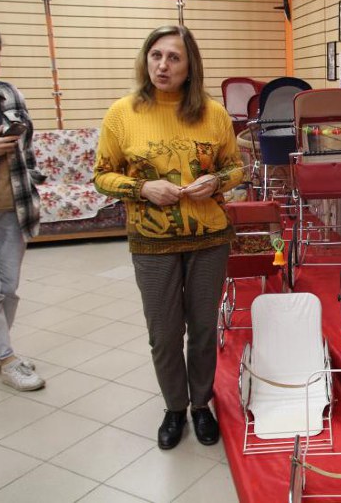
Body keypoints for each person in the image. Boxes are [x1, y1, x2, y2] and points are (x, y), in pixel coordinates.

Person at [93, 25, 243, 450]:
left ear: (190, 66)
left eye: (174, 57)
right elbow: (102, 175)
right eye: (155, 55)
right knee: (163, 333)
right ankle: (175, 407)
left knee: (203, 328)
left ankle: (201, 404)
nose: (162, 65)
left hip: (209, 239)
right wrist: (142, 188)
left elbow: (236, 168)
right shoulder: (122, 114)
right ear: (145, 60)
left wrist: (216, 182)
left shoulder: (213, 114)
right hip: (152, 242)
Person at [0, 22, 46, 392]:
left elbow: (28, 143)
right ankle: (7, 359)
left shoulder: (10, 93)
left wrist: (34, 178)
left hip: (12, 207)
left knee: (8, 288)